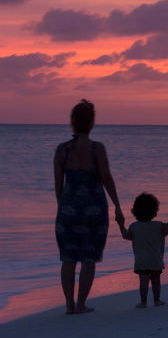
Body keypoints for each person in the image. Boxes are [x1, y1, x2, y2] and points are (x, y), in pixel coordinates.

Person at [54, 100, 123, 314]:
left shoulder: (62, 150)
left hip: (68, 210)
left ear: (72, 122)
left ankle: (69, 304)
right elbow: (107, 179)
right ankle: (81, 304)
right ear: (91, 122)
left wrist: (63, 207)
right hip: (94, 210)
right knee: (88, 258)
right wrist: (117, 206)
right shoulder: (96, 148)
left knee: (68, 258)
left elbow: (58, 186)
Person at [117, 193, 168, 308]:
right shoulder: (158, 226)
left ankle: (143, 302)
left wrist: (120, 224)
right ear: (154, 211)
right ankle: (157, 300)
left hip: (141, 260)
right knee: (156, 281)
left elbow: (126, 236)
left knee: (143, 282)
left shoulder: (134, 227)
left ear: (135, 211)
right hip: (155, 259)